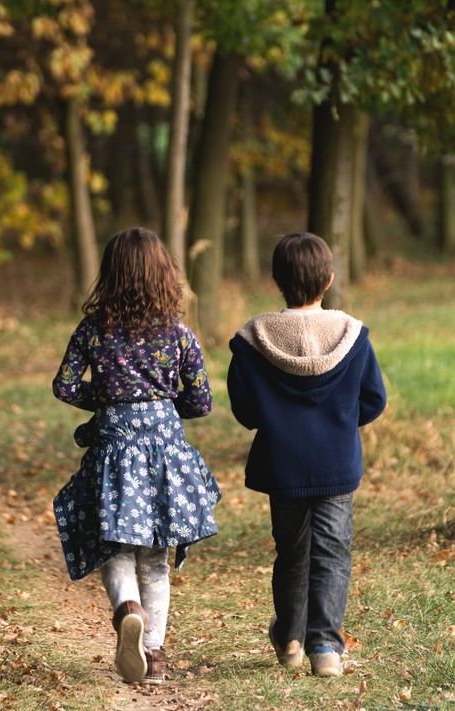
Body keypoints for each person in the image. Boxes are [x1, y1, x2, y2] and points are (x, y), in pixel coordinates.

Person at [52, 226, 220, 684]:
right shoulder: (179, 335)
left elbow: (64, 385)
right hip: (163, 449)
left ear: (110, 275)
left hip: (113, 447)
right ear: (164, 275)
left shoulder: (92, 330)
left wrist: (106, 401)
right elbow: (202, 401)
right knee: (155, 558)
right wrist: (164, 406)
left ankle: (128, 609)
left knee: (117, 548)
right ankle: (156, 656)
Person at [227, 232, 386, 677]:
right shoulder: (352, 336)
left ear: (276, 279)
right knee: (333, 552)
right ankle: (326, 649)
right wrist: (338, 422)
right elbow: (373, 399)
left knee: (292, 551)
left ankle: (292, 638)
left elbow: (245, 410)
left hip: (283, 465)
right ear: (329, 279)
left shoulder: (253, 340)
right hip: (336, 461)